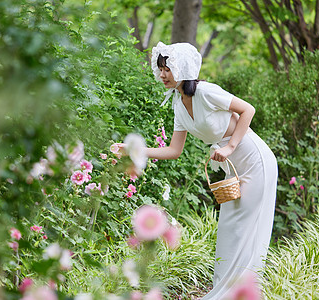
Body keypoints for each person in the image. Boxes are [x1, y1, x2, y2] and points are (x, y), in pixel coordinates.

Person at [114, 42, 278, 299]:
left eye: (167, 68)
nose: (163, 74)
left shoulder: (206, 92)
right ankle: (225, 291)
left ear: (183, 68)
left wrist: (230, 146)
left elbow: (248, 110)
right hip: (233, 167)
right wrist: (133, 149)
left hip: (254, 159)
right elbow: (173, 150)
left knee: (247, 228)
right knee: (229, 228)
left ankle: (245, 291)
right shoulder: (179, 104)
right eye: (160, 69)